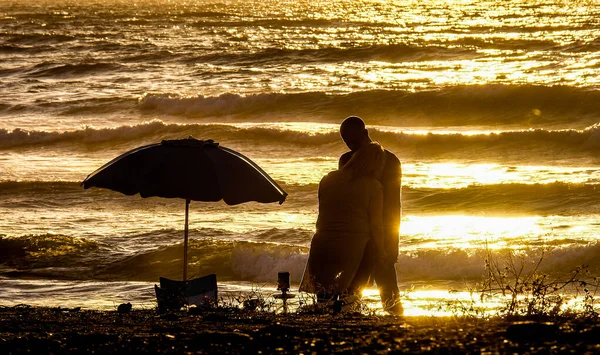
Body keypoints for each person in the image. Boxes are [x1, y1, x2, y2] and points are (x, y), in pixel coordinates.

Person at [299, 142, 389, 302]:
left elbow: (324, 211)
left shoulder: (327, 179)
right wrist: (382, 251)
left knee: (324, 297)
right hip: (355, 247)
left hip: (322, 243)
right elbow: (376, 224)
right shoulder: (374, 186)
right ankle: (349, 301)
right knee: (350, 294)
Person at [340, 116, 403, 315]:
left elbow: (394, 205)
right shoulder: (346, 160)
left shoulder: (390, 162)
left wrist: (392, 242)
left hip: (378, 233)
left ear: (365, 134)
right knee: (352, 294)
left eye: (353, 141)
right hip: (358, 234)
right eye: (347, 143)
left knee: (389, 295)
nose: (351, 147)